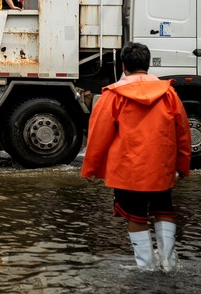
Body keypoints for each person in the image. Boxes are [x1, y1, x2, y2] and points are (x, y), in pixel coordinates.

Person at [81, 42, 191, 272]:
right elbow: (182, 131)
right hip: (161, 166)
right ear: (148, 64)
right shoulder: (169, 93)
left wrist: (90, 168)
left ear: (124, 66)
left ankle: (146, 266)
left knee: (136, 215)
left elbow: (99, 134)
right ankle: (169, 263)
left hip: (128, 170)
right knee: (164, 210)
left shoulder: (113, 95)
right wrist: (182, 165)